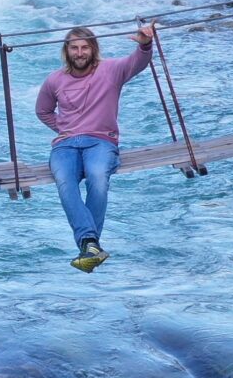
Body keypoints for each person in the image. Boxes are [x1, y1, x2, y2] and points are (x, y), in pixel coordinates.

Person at [34, 21, 158, 271]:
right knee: (65, 184)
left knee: (98, 177)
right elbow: (43, 110)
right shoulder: (54, 80)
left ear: (93, 49)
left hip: (101, 141)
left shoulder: (111, 70)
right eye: (74, 48)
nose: (79, 53)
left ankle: (89, 243)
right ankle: (91, 244)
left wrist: (146, 44)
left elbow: (138, 62)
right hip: (65, 145)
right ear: (66, 51)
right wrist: (65, 128)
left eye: (84, 47)